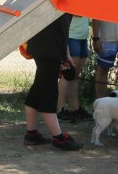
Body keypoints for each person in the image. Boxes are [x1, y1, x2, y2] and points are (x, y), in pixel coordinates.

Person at [22, 14, 83, 151]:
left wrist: (65, 53)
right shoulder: (64, 0)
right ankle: (59, 138)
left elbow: (62, 30)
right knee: (48, 91)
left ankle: (32, 134)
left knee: (38, 89)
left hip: (46, 47)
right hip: (48, 49)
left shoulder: (65, 4)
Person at [55, 14, 92, 122]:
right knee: (67, 74)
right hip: (71, 36)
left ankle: (75, 109)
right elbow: (77, 12)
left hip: (83, 36)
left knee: (75, 76)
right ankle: (60, 109)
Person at [91, 19, 118, 99]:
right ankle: (100, 103)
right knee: (103, 69)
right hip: (107, 35)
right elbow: (96, 10)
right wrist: (95, 37)